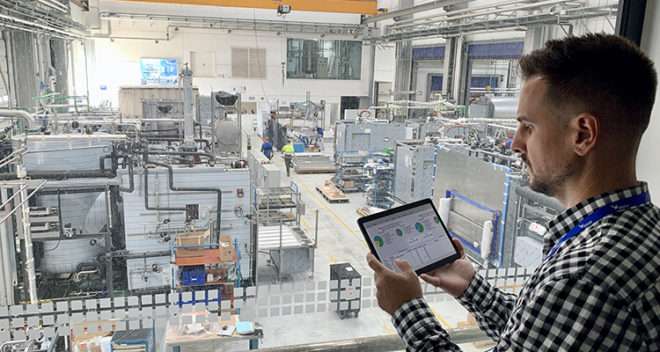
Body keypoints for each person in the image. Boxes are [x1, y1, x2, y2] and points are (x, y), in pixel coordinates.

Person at [367, 33, 659, 351]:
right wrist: (471, 287)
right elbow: (540, 336)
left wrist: (407, 309)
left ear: (583, 135)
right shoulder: (643, 230)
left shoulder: (584, 275)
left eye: (528, 127)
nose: (514, 143)